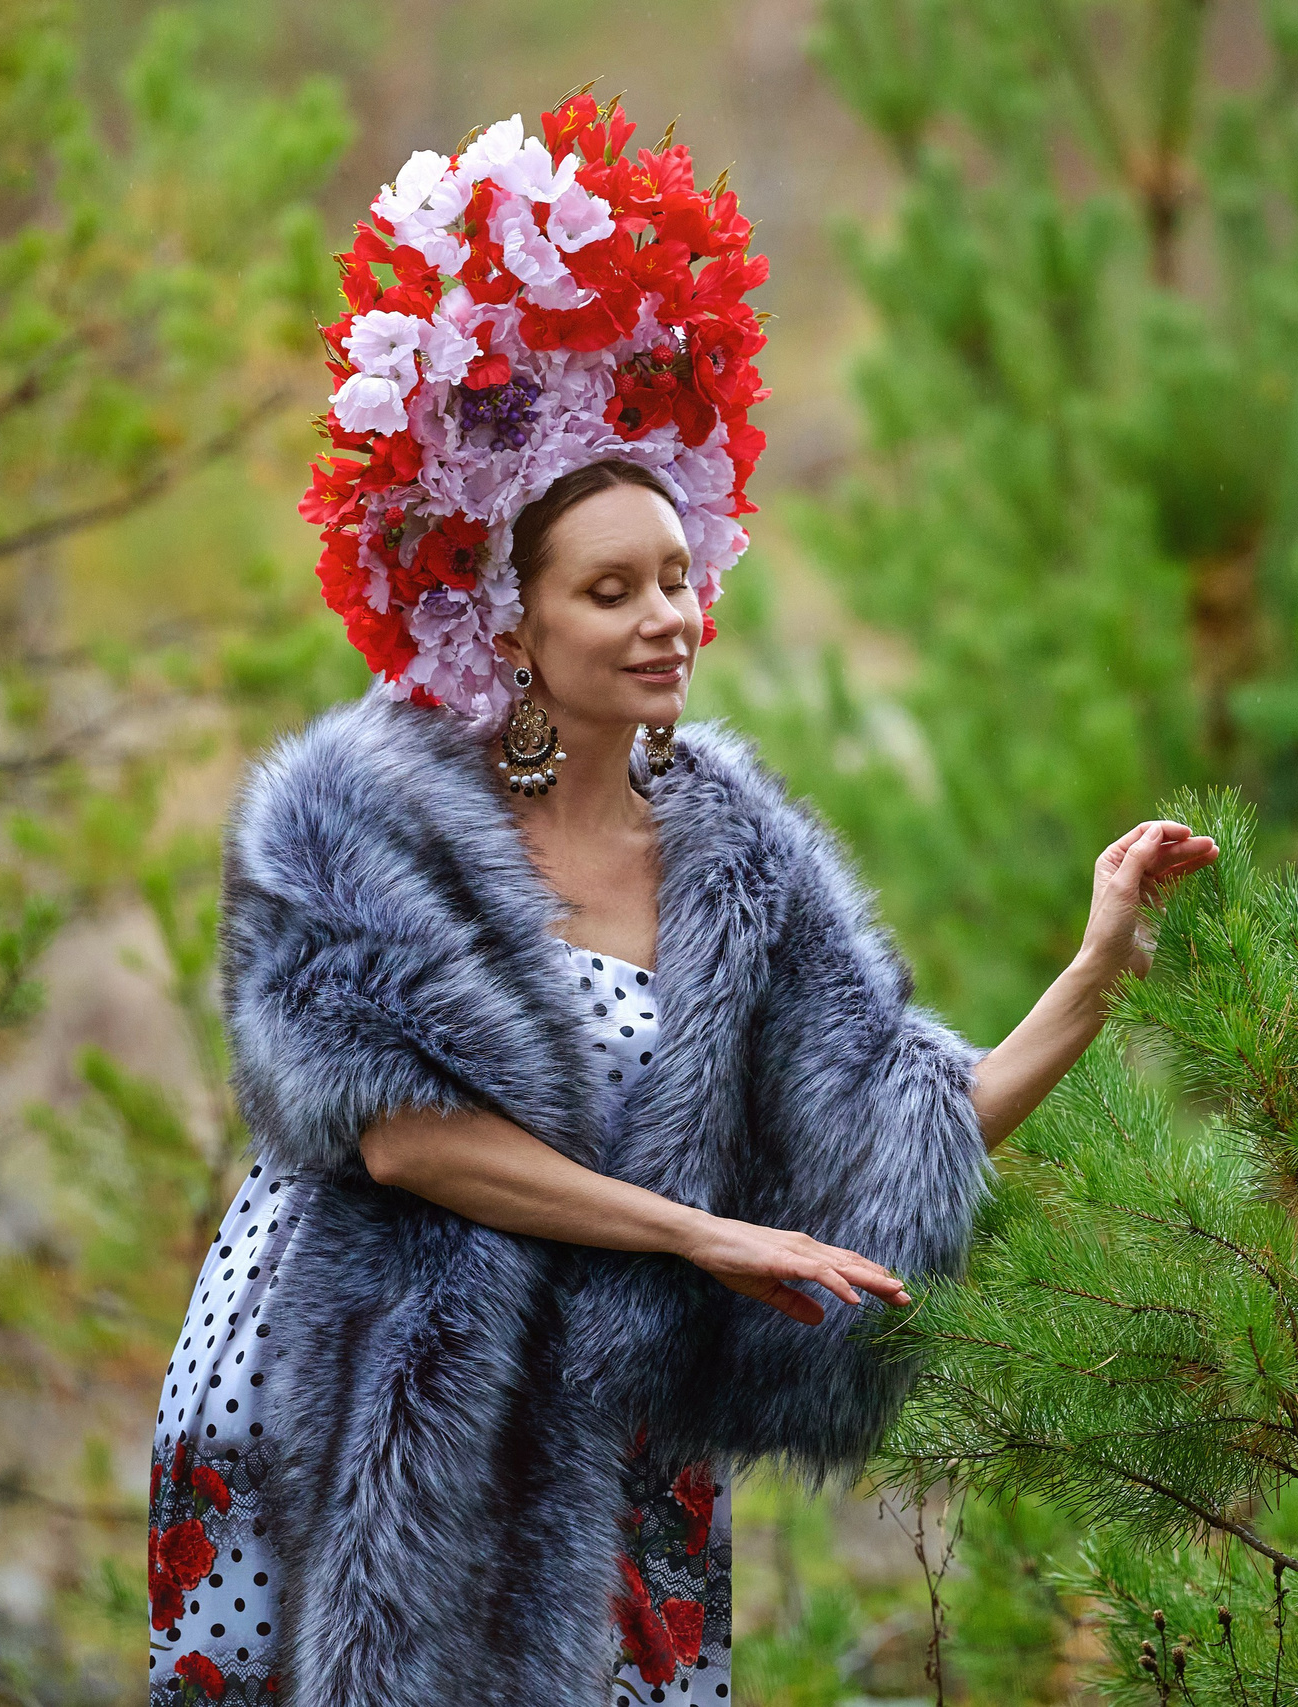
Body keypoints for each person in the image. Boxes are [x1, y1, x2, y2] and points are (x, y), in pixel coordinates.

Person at [144, 95, 1214, 1707]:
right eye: (611, 589)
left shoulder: (737, 850)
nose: (669, 619)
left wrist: (1095, 968)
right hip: (346, 1405)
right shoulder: (355, 812)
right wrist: (702, 1234)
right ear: (508, 625)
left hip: (608, 1431)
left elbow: (889, 1139)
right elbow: (401, 1136)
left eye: (676, 575)